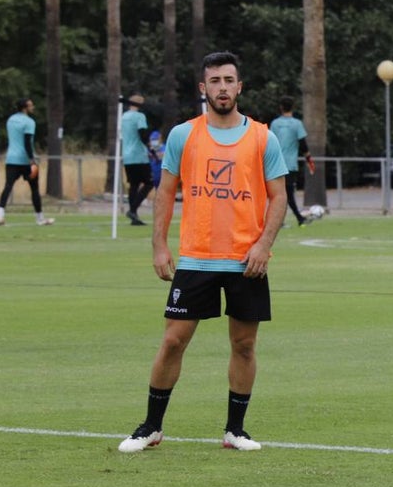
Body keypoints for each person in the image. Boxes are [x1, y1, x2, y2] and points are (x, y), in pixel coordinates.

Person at [118, 51, 288, 454]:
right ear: (203, 88)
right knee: (173, 341)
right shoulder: (183, 135)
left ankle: (235, 430)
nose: (223, 88)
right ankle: (151, 427)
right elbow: (164, 192)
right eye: (215, 81)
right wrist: (159, 245)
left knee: (244, 344)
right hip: (196, 257)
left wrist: (264, 245)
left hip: (247, 259)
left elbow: (278, 196)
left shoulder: (263, 136)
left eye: (229, 80)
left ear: (239, 86)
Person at [0, 98, 54, 226]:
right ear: (25, 108)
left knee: (8, 186)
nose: (33, 107)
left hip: (11, 158)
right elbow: (27, 142)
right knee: (34, 189)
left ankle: (0, 214)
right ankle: (39, 218)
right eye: (30, 105)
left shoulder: (10, 120)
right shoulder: (29, 122)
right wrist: (32, 160)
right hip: (26, 161)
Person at [268, 96, 313, 227]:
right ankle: (298, 219)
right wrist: (309, 160)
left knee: (279, 193)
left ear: (281, 107)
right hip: (290, 165)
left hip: (275, 164)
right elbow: (303, 144)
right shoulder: (296, 124)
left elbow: (270, 142)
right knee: (286, 194)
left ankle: (287, 220)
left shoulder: (275, 124)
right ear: (292, 107)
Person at [121, 94, 155, 225]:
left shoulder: (124, 117)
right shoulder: (140, 117)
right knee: (148, 183)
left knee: (134, 184)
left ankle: (134, 215)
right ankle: (133, 209)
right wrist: (151, 149)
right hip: (139, 155)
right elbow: (142, 134)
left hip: (127, 155)